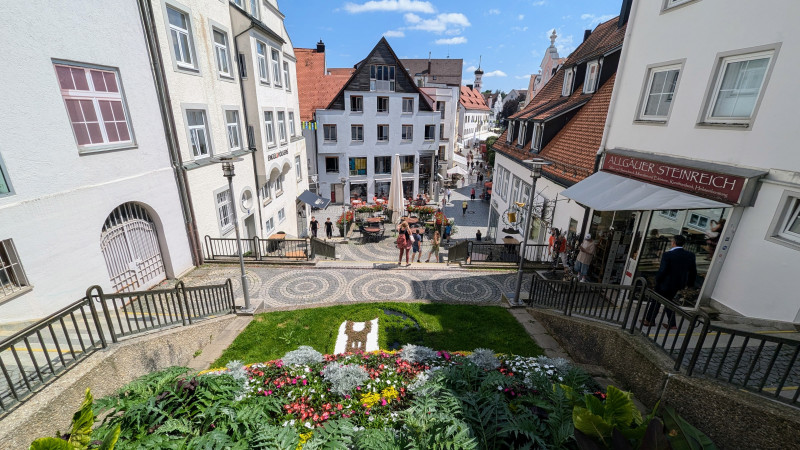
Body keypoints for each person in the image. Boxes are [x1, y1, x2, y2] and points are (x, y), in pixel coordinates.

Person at [643, 235, 697, 329]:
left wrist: (657, 280)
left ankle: (650, 320)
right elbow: (693, 271)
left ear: (674, 243)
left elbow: (663, 270)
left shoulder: (668, 255)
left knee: (656, 300)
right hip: (677, 284)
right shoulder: (690, 255)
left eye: (672, 241)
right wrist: (690, 284)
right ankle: (671, 324)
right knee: (668, 301)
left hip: (664, 283)